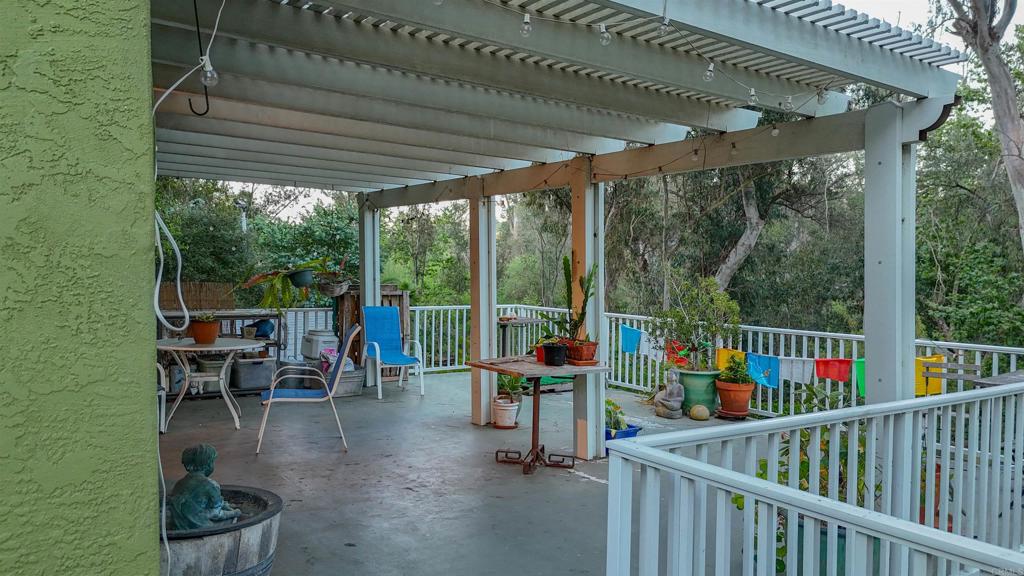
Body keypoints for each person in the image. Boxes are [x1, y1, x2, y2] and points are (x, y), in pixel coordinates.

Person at [168, 444, 241, 530]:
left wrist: (224, 505)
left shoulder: (179, 483)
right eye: (213, 462)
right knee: (230, 522)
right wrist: (235, 513)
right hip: (198, 526)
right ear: (208, 465)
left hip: (177, 526)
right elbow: (217, 514)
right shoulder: (211, 486)